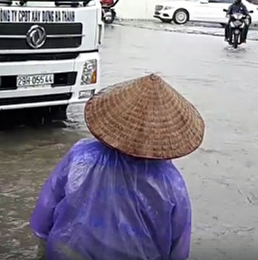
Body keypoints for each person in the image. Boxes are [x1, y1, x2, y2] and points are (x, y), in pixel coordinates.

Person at [30, 74, 205, 260]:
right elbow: (178, 247)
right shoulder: (171, 182)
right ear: (166, 136)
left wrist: (42, 243)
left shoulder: (81, 155)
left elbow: (48, 204)